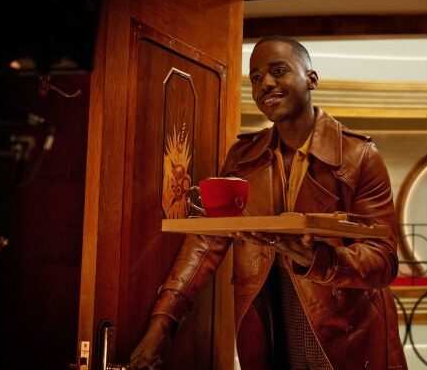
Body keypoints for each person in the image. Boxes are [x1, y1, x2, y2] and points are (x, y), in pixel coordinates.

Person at [129, 35, 407, 370]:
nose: (266, 84)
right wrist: (164, 320)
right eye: (256, 78)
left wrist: (317, 258)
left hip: (342, 329)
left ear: (311, 79)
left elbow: (384, 259)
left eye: (278, 71)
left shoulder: (359, 156)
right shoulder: (243, 156)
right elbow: (208, 239)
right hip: (267, 320)